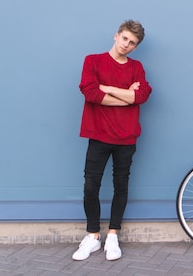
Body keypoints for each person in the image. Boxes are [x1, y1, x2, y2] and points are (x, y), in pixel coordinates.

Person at [72, 20, 152, 261]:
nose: (127, 44)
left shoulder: (136, 67)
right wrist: (127, 96)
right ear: (116, 35)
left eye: (132, 43)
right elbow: (91, 93)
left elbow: (143, 95)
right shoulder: (92, 61)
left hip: (126, 137)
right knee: (90, 186)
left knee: (121, 185)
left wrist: (108, 88)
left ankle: (113, 235)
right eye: (125, 38)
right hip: (98, 134)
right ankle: (93, 235)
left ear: (136, 47)